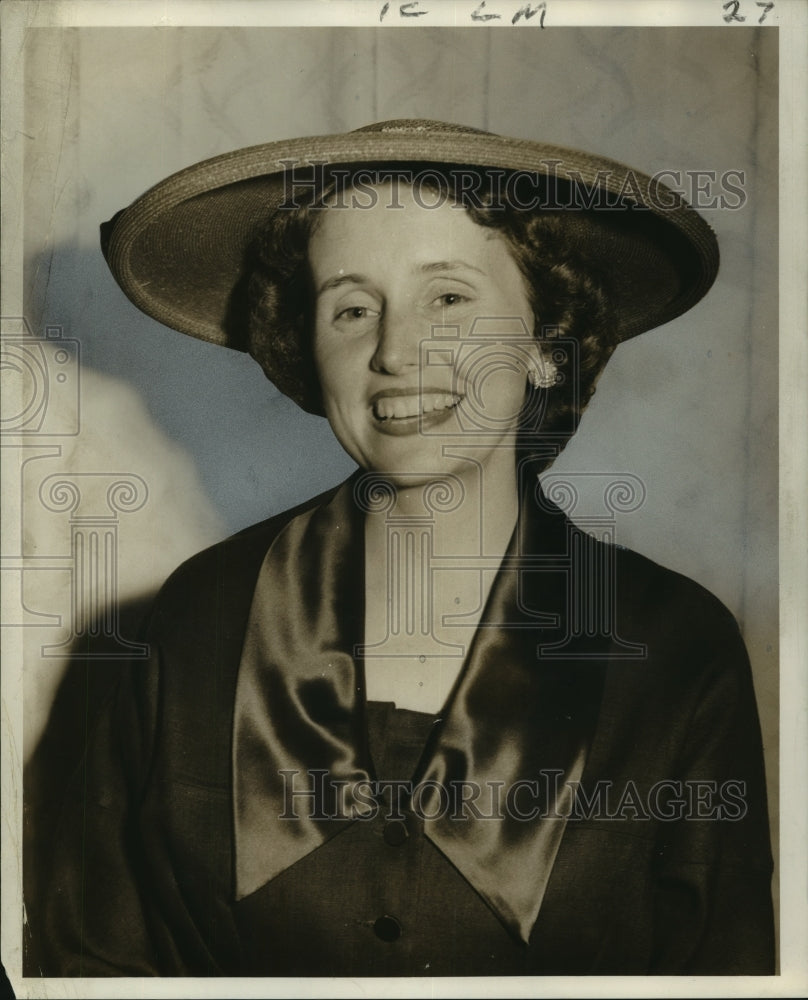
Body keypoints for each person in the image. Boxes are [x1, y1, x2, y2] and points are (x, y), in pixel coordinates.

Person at [41, 119, 774, 976]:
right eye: (351, 309)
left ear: (546, 341)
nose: (394, 351)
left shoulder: (679, 648)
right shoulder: (195, 619)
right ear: (309, 353)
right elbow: (89, 965)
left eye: (448, 298)